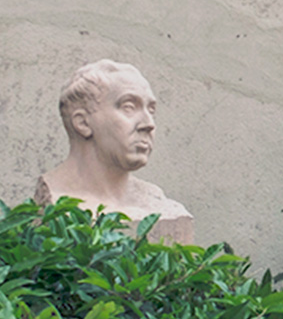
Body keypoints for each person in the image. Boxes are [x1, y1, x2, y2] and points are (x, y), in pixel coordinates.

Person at [33, 60, 194, 243]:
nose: (149, 124)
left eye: (151, 110)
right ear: (83, 123)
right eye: (129, 107)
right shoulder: (57, 200)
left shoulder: (160, 205)